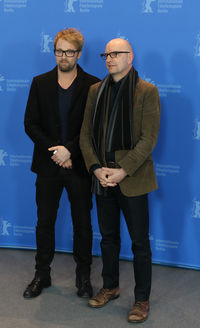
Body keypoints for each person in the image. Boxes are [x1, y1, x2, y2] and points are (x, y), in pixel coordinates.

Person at [80, 38, 160, 323]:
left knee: (139, 243)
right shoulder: (94, 91)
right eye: (106, 54)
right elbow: (85, 136)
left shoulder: (147, 92)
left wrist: (123, 169)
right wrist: (95, 169)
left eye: (116, 54)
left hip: (132, 178)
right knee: (108, 239)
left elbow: (148, 139)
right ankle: (110, 286)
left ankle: (141, 300)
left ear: (130, 57)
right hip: (102, 178)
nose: (110, 58)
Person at [23, 28, 100, 299]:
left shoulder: (93, 84)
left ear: (79, 53)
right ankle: (41, 274)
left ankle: (83, 278)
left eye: (69, 51)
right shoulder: (40, 82)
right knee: (44, 222)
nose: (63, 56)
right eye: (59, 51)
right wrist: (55, 151)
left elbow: (93, 128)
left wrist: (70, 151)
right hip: (47, 166)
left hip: (78, 166)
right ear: (54, 51)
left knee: (83, 224)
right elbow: (30, 124)